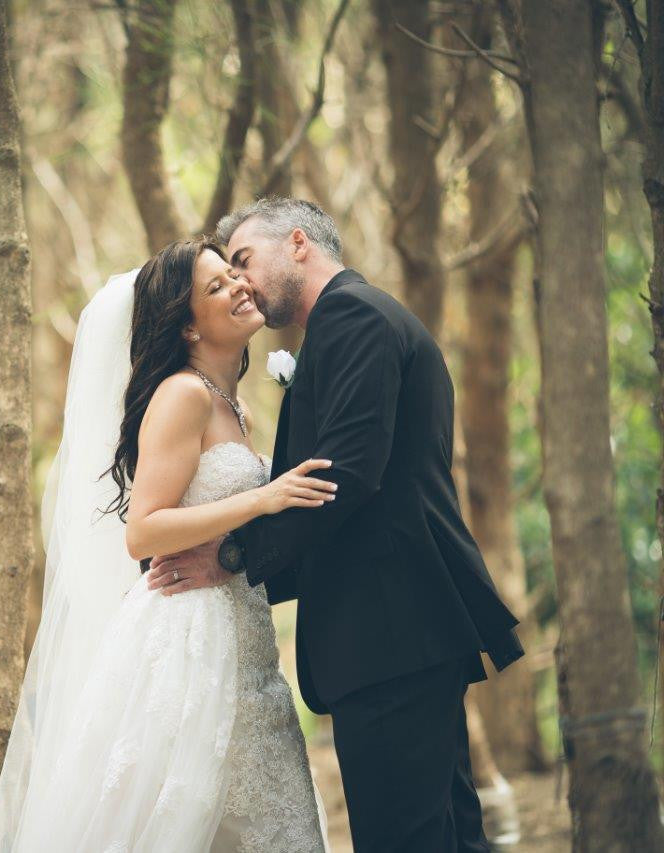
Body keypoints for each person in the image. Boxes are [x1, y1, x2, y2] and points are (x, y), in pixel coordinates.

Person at [144, 197, 525, 851]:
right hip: (406, 634)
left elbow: (345, 477)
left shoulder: (352, 316)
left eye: (243, 260)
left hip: (390, 638)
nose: (240, 282)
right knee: (450, 839)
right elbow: (361, 499)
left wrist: (233, 556)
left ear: (297, 244)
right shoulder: (353, 322)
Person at [0, 237, 331, 851]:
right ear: (188, 327)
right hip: (191, 640)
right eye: (216, 288)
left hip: (242, 634)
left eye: (234, 274)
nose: (240, 287)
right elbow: (143, 530)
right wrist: (263, 498)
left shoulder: (233, 404)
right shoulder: (183, 395)